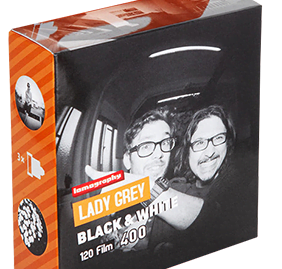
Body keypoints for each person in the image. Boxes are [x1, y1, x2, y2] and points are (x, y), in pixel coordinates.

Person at [85, 107, 204, 251]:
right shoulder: (112, 203)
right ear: (127, 160)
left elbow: (208, 216)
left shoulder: (180, 190)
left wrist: (145, 188)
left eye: (165, 143)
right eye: (146, 146)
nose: (159, 154)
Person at [171, 105, 257, 254]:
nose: (210, 152)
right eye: (199, 142)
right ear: (186, 151)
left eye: (218, 138)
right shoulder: (176, 188)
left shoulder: (242, 190)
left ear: (228, 144)